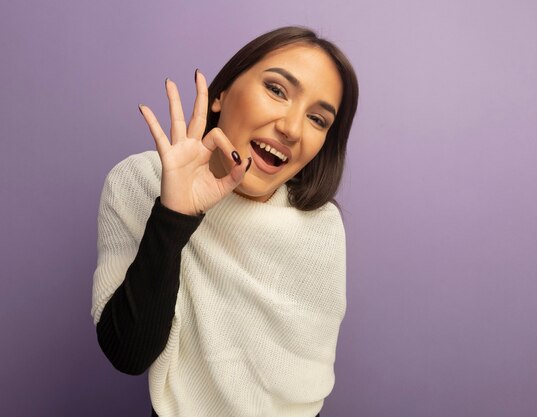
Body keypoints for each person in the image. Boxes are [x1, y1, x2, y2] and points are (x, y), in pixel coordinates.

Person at [91, 26, 359, 417]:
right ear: (221, 95)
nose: (291, 127)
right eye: (277, 90)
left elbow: (303, 391)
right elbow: (128, 354)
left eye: (318, 119)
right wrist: (174, 215)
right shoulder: (139, 181)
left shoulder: (320, 228)